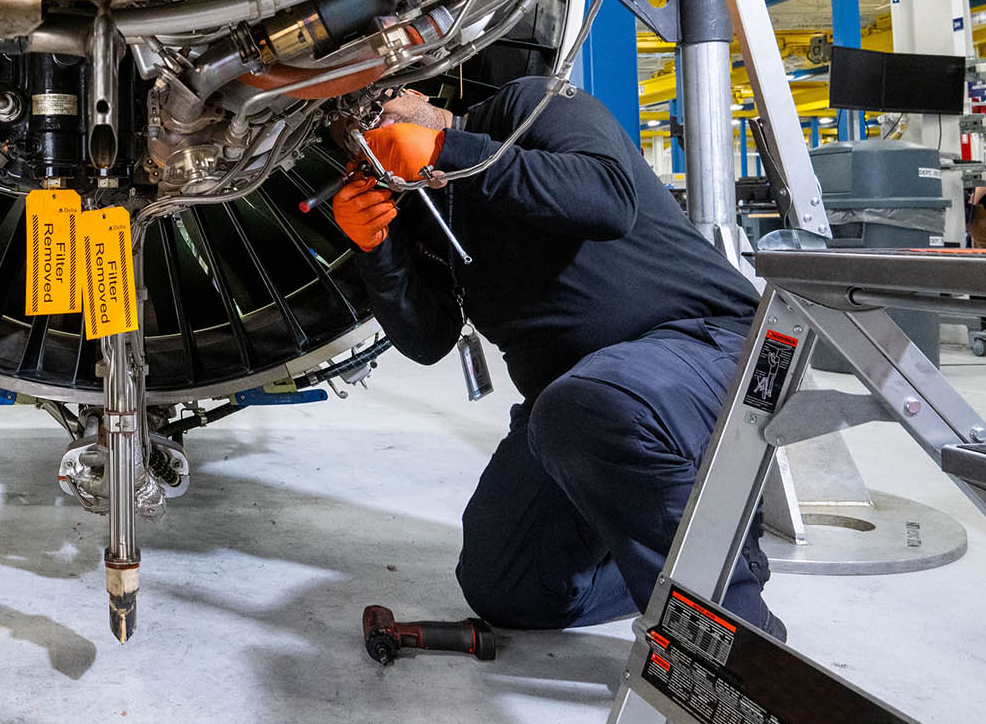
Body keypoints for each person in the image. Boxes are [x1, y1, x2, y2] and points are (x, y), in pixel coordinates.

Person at [331, 77, 781, 636]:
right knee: (508, 586)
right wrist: (375, 250)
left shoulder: (530, 105)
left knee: (595, 407)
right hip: (577, 404)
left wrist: (451, 154)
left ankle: (732, 647)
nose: (370, 133)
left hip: (717, 348)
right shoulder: (422, 211)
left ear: (420, 97)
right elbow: (428, 339)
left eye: (379, 111)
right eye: (353, 136)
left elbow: (606, 198)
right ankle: (711, 552)